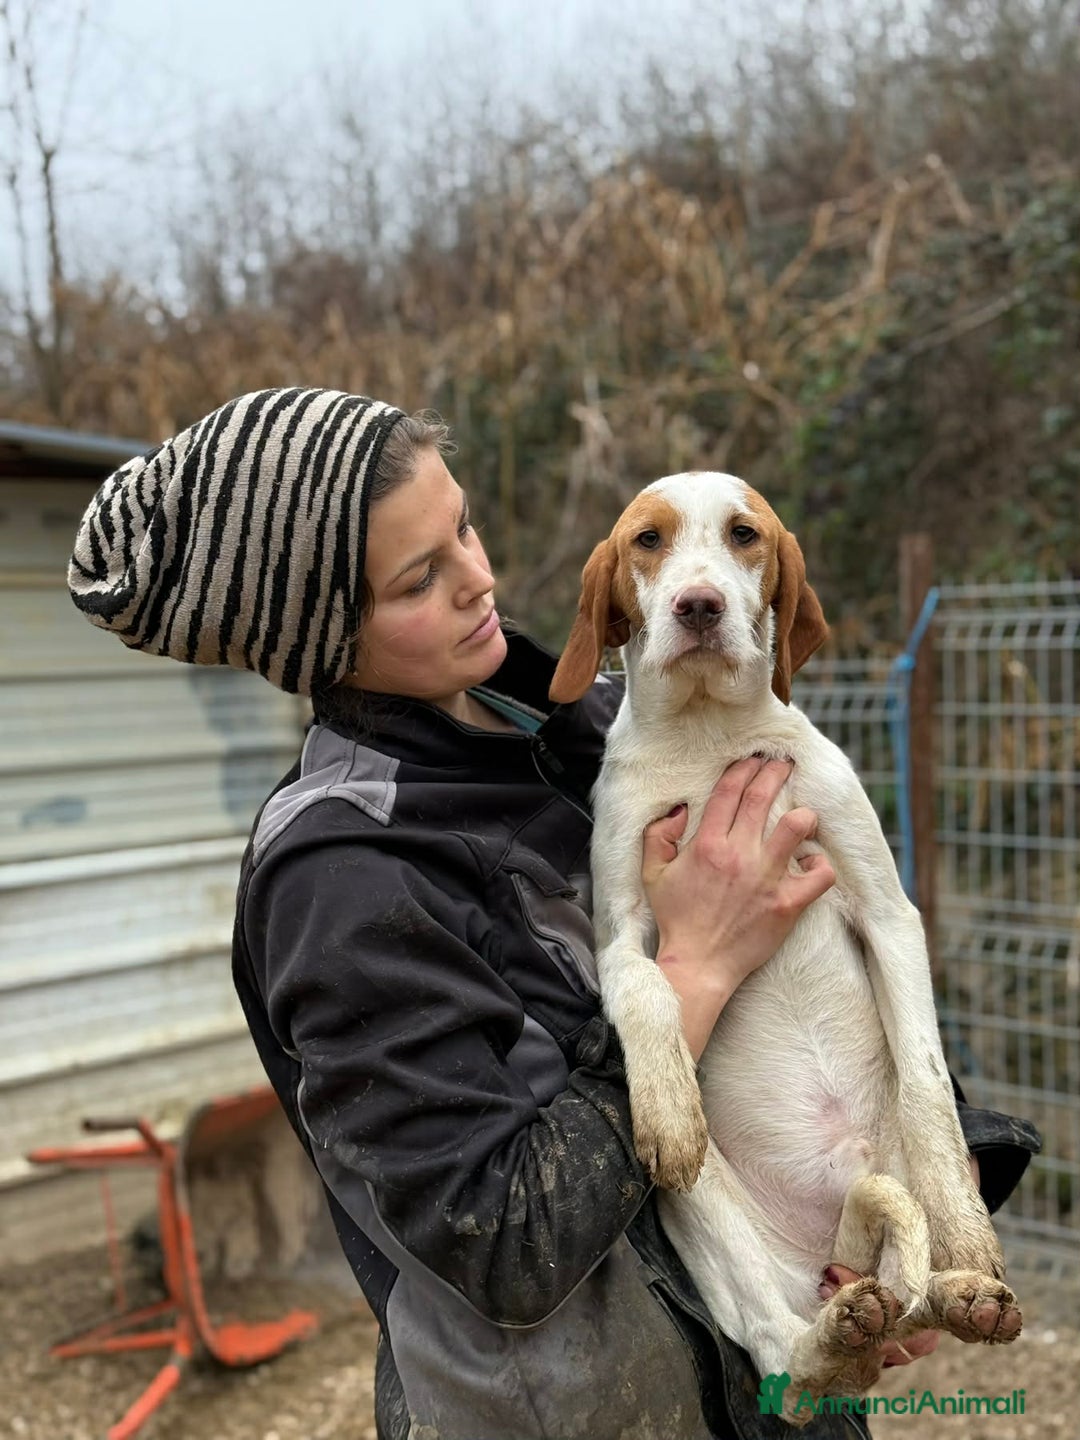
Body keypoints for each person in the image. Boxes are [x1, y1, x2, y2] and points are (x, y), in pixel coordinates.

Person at [69, 387, 1040, 1440]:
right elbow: (507, 1240)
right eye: (418, 578)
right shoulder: (339, 878)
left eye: (465, 528)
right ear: (321, 640)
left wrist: (922, 1198)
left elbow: (838, 963)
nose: (480, 578)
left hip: (780, 1392)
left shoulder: (611, 725)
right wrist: (697, 968)